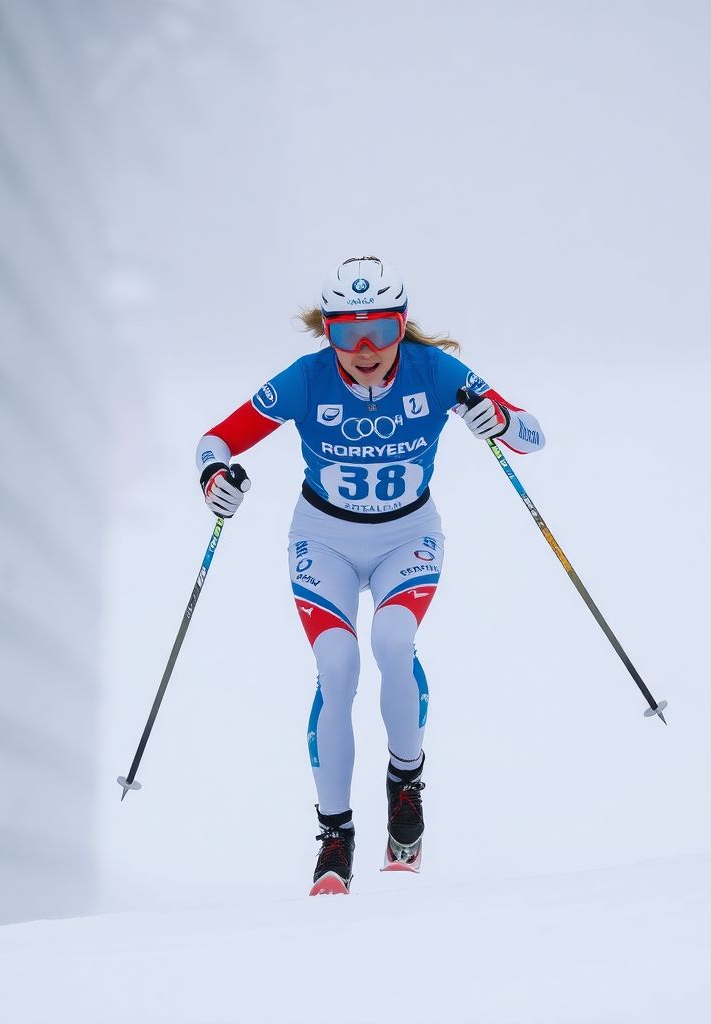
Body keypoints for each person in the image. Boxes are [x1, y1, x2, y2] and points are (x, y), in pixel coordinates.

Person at [196, 256, 544, 895]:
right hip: (324, 538)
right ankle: (336, 835)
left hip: (406, 537)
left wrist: (498, 421)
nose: (364, 350)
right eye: (346, 333)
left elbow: (532, 435)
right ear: (327, 331)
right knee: (337, 666)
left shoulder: (434, 371)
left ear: (402, 327)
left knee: (391, 640)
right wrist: (215, 478)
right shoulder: (306, 379)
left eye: (381, 331)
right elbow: (216, 440)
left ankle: (405, 784)